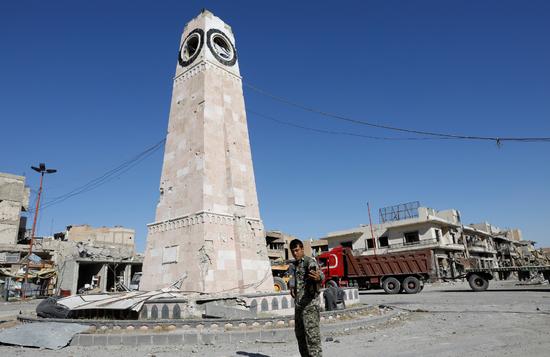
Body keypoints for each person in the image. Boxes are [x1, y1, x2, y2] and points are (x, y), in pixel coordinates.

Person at [289, 238, 324, 357]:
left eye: (297, 250)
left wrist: (318, 277)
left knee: (313, 339)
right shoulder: (294, 265)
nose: (295, 253)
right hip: (299, 307)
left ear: (302, 249)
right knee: (300, 337)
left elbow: (320, 275)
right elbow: (293, 282)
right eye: (293, 251)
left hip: (310, 307)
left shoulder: (309, 261)